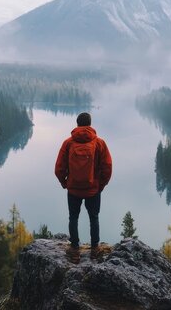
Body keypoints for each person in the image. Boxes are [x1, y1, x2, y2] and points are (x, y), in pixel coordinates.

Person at [55, 112, 112, 263]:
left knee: (73, 217)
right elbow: (107, 167)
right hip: (93, 189)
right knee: (94, 218)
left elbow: (59, 168)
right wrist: (101, 185)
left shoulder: (68, 143)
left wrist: (65, 183)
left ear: (77, 124)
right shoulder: (99, 143)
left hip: (73, 189)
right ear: (90, 124)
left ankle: (75, 250)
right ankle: (95, 250)